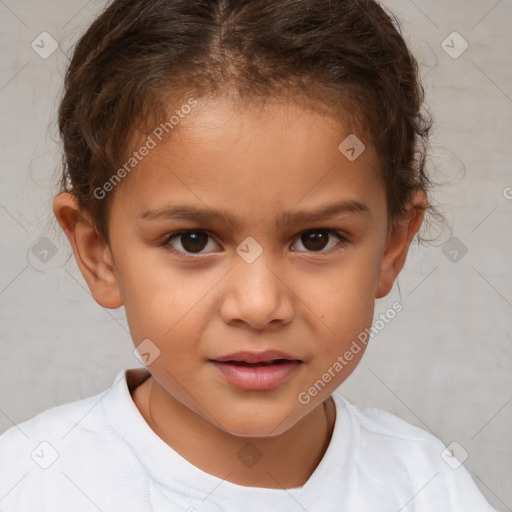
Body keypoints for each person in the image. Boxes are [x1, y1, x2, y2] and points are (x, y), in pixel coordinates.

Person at [0, 0, 498, 510]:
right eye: (192, 240)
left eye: (316, 239)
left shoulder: (429, 487)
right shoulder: (28, 485)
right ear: (98, 253)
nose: (259, 307)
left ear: (393, 246)